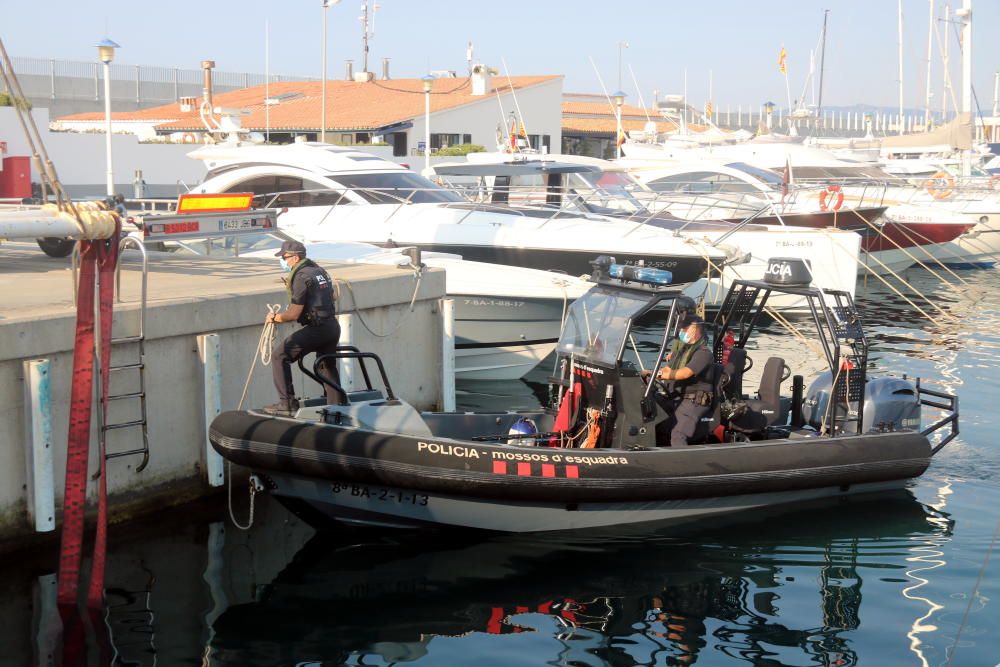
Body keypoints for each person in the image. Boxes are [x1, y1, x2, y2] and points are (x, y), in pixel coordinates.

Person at [264, 240, 343, 415]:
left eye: (285, 257)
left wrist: (275, 318)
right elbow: (333, 296)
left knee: (279, 356)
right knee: (326, 365)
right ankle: (337, 407)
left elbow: (293, 314)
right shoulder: (319, 271)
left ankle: (287, 404)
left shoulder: (300, 277)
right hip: (332, 327)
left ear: (295, 257)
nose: (284, 261)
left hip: (318, 329)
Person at [643, 315, 715, 447]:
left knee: (678, 434)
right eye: (681, 329)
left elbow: (684, 373)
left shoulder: (704, 353)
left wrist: (658, 375)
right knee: (651, 418)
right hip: (676, 397)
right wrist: (649, 373)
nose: (681, 332)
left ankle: (681, 462)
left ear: (696, 329)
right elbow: (667, 370)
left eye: (685, 329)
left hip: (695, 401)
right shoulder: (681, 352)